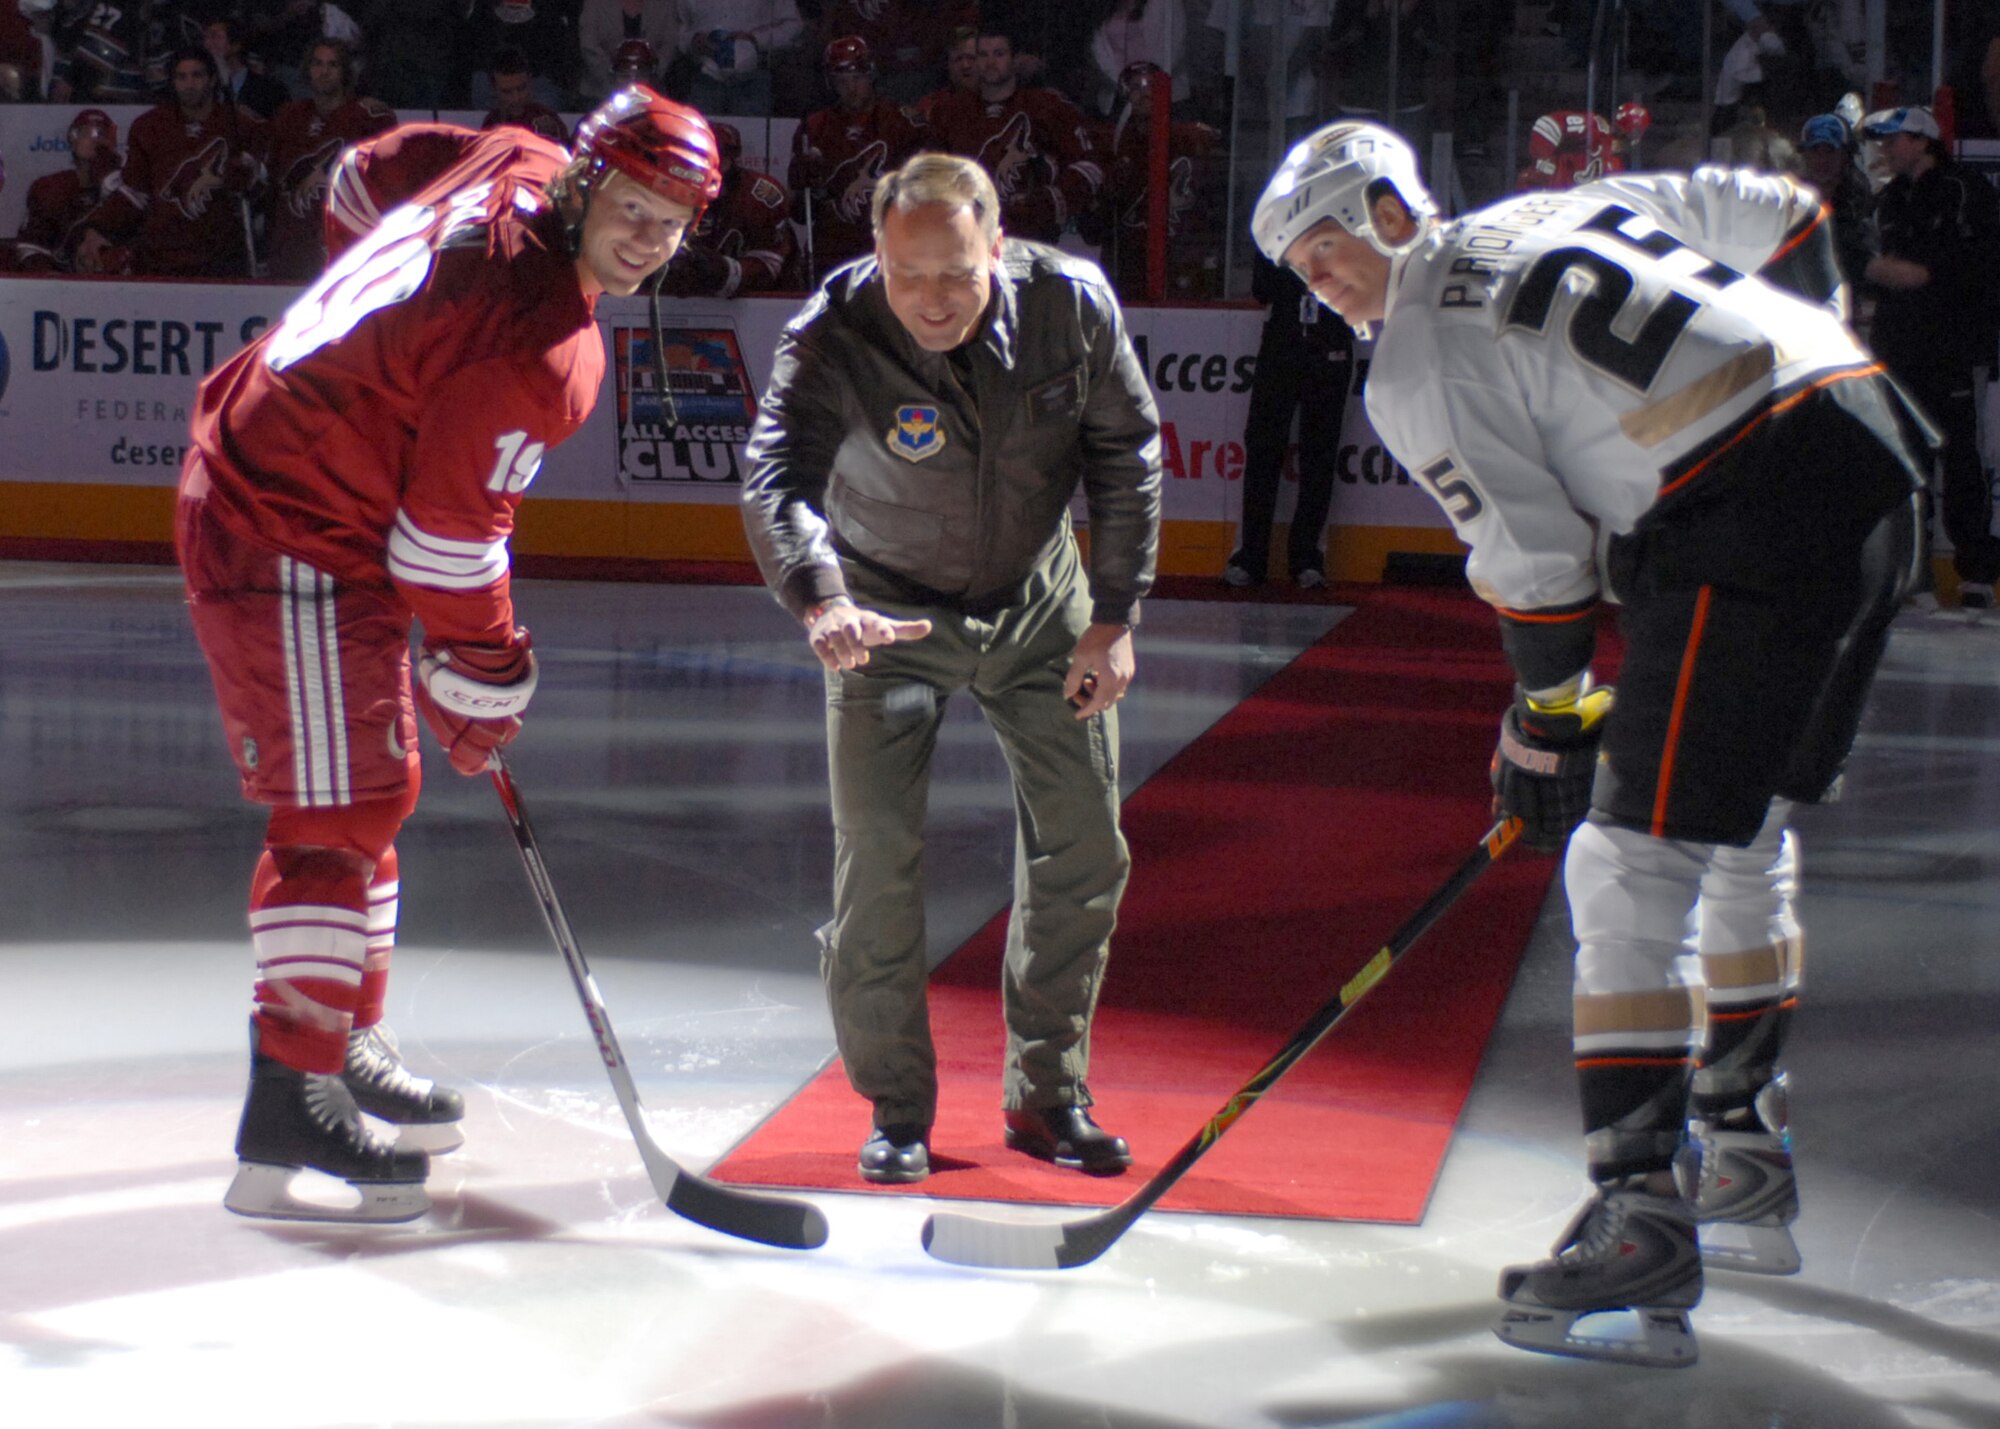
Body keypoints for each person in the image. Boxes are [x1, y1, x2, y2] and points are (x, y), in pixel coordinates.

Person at [1252, 121, 1926, 1366]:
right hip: (1871, 446)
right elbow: (1780, 210)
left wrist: (1544, 723)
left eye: (1328, 249)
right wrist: (1812, 338)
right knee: (1739, 825)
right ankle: (1740, 1156)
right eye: (1304, 268)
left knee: (1620, 863)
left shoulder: (1416, 355)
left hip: (1745, 508)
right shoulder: (1558, 206)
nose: (1322, 282)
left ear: (1391, 212)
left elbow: (1539, 573)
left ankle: (1640, 1219)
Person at [176, 88, 722, 1224]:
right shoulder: (547, 345)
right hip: (283, 524)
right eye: (633, 205)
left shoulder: (508, 153)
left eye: (673, 220)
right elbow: (446, 544)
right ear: (585, 180)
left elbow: (358, 177)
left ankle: (342, 1036)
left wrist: (376, 357)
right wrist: (493, 671)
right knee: (335, 813)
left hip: (316, 507)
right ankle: (290, 1095)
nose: (649, 238)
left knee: (375, 792)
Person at [741, 152, 1161, 1186]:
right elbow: (773, 471)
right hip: (884, 615)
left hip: (1041, 607)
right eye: (906, 274)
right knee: (877, 860)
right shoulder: (836, 326)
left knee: (1083, 847)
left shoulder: (1071, 306)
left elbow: (1126, 452)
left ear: (997, 244)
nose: (931, 299)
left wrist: (1113, 616)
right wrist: (819, 597)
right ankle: (894, 1106)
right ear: (876, 255)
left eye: (955, 274)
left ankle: (1049, 1093)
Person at [1862, 104, 2000, 613]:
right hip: (1901, 347)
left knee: (1962, 459)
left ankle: (1978, 572)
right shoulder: (1889, 199)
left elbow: (1943, 270)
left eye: (1893, 140)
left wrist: (1894, 270)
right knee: (1906, 464)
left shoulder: (1963, 190)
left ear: (1922, 140)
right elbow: (1878, 268)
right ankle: (1913, 573)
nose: (1886, 149)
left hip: (1953, 347)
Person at [73, 45, 266, 278]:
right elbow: (135, 193)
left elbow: (265, 190)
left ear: (213, 79)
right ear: (172, 81)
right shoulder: (150, 126)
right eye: (181, 77)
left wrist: (250, 178)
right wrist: (97, 227)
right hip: (162, 258)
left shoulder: (242, 124)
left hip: (222, 258)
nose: (189, 84)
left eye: (197, 75)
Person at [1221, 253, 1353, 588]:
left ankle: (1308, 559)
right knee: (1263, 449)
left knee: (1319, 454)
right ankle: (1250, 557)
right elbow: (1262, 288)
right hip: (1282, 342)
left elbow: (1360, 283)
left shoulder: (1352, 226)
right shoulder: (1277, 227)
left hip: (1331, 340)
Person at [922, 27, 1104, 245]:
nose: (990, 62)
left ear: (1015, 59)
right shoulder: (950, 113)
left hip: (1034, 243)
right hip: (971, 241)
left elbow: (1090, 165)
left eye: (999, 54)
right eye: (983, 55)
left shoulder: (1047, 107)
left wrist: (1050, 202)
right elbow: (928, 172)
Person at [1080, 59, 1221, 300]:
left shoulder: (1191, 137)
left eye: (1150, 86)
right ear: (1125, 94)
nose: (1143, 93)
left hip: (1181, 252)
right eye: (1135, 87)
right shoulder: (1114, 143)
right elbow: (1095, 221)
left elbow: (1213, 200)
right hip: (1129, 257)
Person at [788, 34, 921, 281]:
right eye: (842, 80)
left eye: (857, 77)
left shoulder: (901, 122)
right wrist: (808, 187)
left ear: (871, 75)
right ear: (831, 83)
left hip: (886, 247)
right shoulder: (814, 127)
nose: (851, 88)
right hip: (832, 250)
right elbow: (800, 212)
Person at [264, 38, 395, 280]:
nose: (323, 72)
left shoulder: (368, 117)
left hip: (346, 236)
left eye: (332, 65)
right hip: (295, 238)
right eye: (317, 63)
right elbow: (271, 176)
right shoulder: (289, 116)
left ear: (344, 71)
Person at [662, 119, 793, 295]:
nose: (713, 164)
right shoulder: (668, 191)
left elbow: (771, 267)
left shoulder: (762, 197)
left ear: (734, 157)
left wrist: (725, 272)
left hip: (750, 310)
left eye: (721, 155)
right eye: (705, 156)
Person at [6, 107, 120, 272]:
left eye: (102, 134)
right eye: (86, 132)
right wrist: (51, 280)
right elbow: (31, 246)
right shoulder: (50, 188)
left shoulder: (125, 189)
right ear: (72, 139)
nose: (95, 140)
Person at [1796, 111, 1872, 289]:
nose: (1822, 161)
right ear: (1805, 155)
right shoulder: (1793, 200)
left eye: (1830, 151)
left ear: (1846, 156)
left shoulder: (1859, 201)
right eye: (1815, 151)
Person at [578, 0, 681, 103]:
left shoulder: (666, 3)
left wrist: (650, 77)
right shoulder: (594, 3)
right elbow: (589, 44)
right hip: (599, 95)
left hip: (652, 97)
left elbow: (670, 43)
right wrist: (614, 80)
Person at [482, 46, 571, 146]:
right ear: (494, 90)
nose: (516, 98)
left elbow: (568, 157)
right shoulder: (491, 124)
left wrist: (553, 139)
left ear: (529, 82)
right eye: (507, 92)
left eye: (521, 89)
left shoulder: (547, 120)